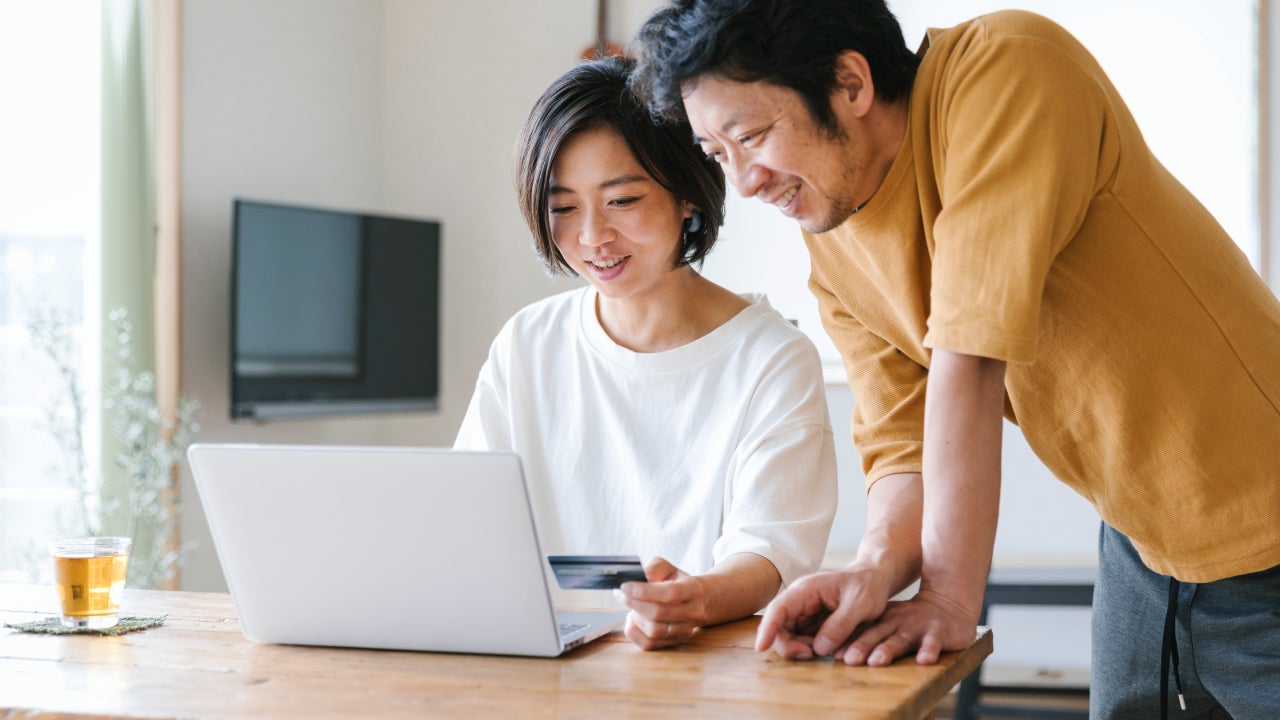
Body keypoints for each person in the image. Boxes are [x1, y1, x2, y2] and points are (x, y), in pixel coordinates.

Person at [630, 1, 1280, 717]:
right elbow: (902, 448)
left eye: (751, 136)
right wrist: (875, 567)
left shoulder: (1006, 69)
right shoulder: (834, 241)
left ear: (851, 83)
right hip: (1141, 542)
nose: (745, 181)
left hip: (1266, 523)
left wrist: (946, 595)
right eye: (719, 154)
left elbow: (970, 353)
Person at [454, 56, 837, 651]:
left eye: (623, 201)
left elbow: (770, 551)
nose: (592, 237)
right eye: (563, 208)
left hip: (698, 669)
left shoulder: (771, 358)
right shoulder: (528, 343)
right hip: (535, 663)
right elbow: (464, 515)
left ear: (687, 194)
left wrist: (696, 598)